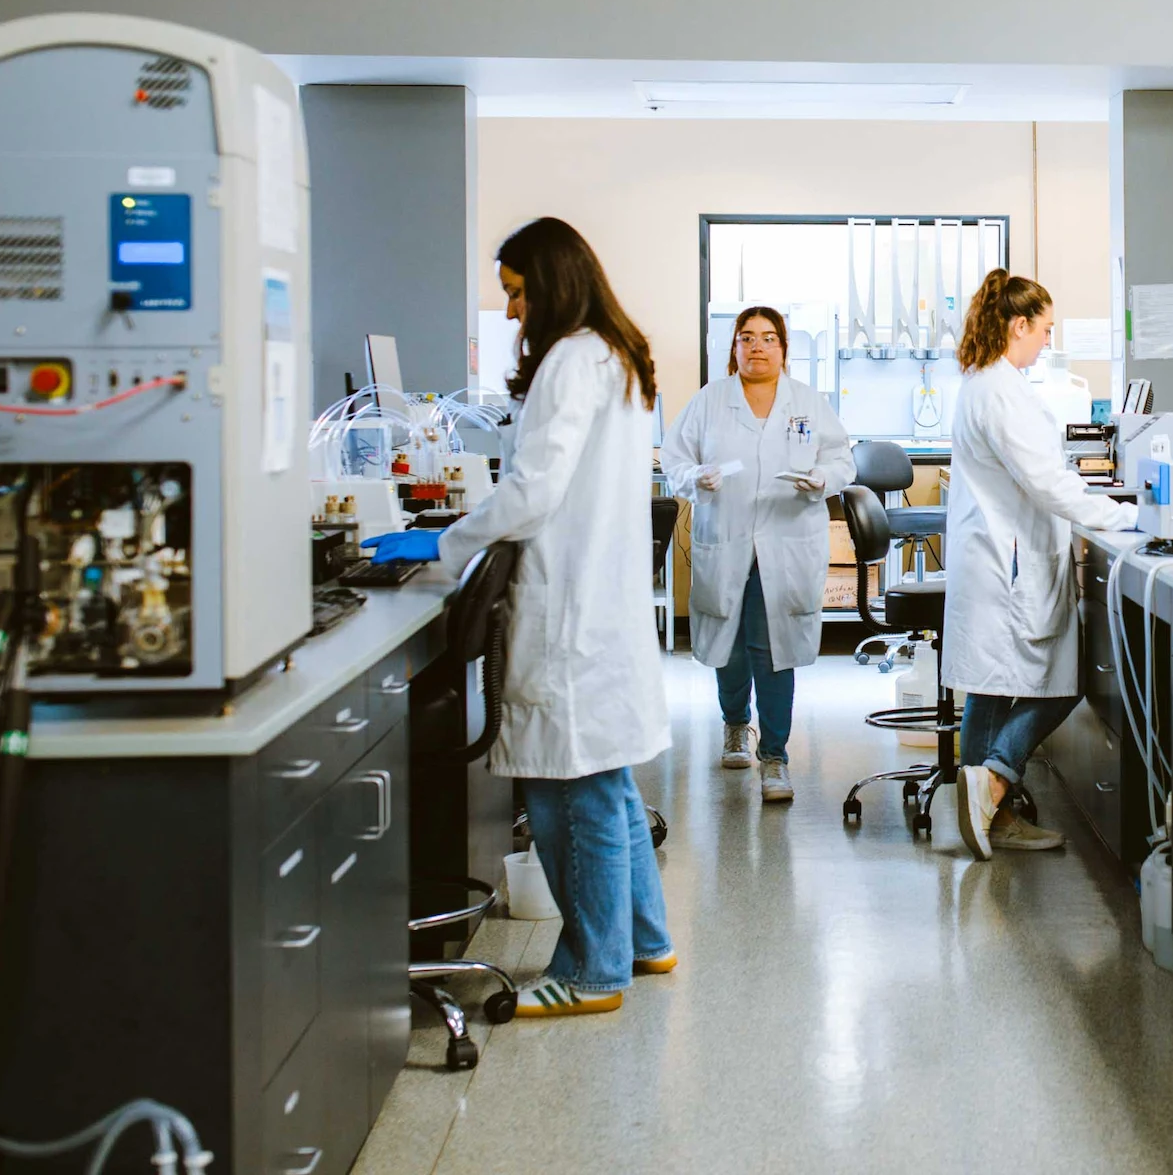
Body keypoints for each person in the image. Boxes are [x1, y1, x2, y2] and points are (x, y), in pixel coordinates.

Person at [363, 217, 672, 1017]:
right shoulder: (617, 355)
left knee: (578, 789)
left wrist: (442, 541)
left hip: (572, 608)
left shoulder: (572, 359)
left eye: (515, 293)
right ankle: (644, 938)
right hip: (598, 601)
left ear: (552, 281)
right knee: (606, 778)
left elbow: (533, 492)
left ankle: (596, 970)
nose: (509, 313)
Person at [942, 268, 1139, 861]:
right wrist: (1125, 517)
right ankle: (997, 778)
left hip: (999, 556)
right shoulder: (999, 390)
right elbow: (1049, 482)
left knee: (990, 688)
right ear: (1017, 324)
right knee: (1065, 683)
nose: (1048, 340)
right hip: (1009, 564)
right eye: (1044, 328)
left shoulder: (988, 381)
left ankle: (989, 813)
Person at [660, 307, 854, 803]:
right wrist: (693, 478)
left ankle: (775, 757)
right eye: (747, 338)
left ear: (783, 348)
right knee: (729, 644)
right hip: (726, 539)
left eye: (768, 338)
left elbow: (841, 459)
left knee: (773, 650)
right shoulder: (709, 401)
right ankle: (733, 724)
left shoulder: (807, 403)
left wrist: (822, 480)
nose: (758, 347)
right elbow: (674, 457)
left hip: (786, 541)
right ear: (735, 348)